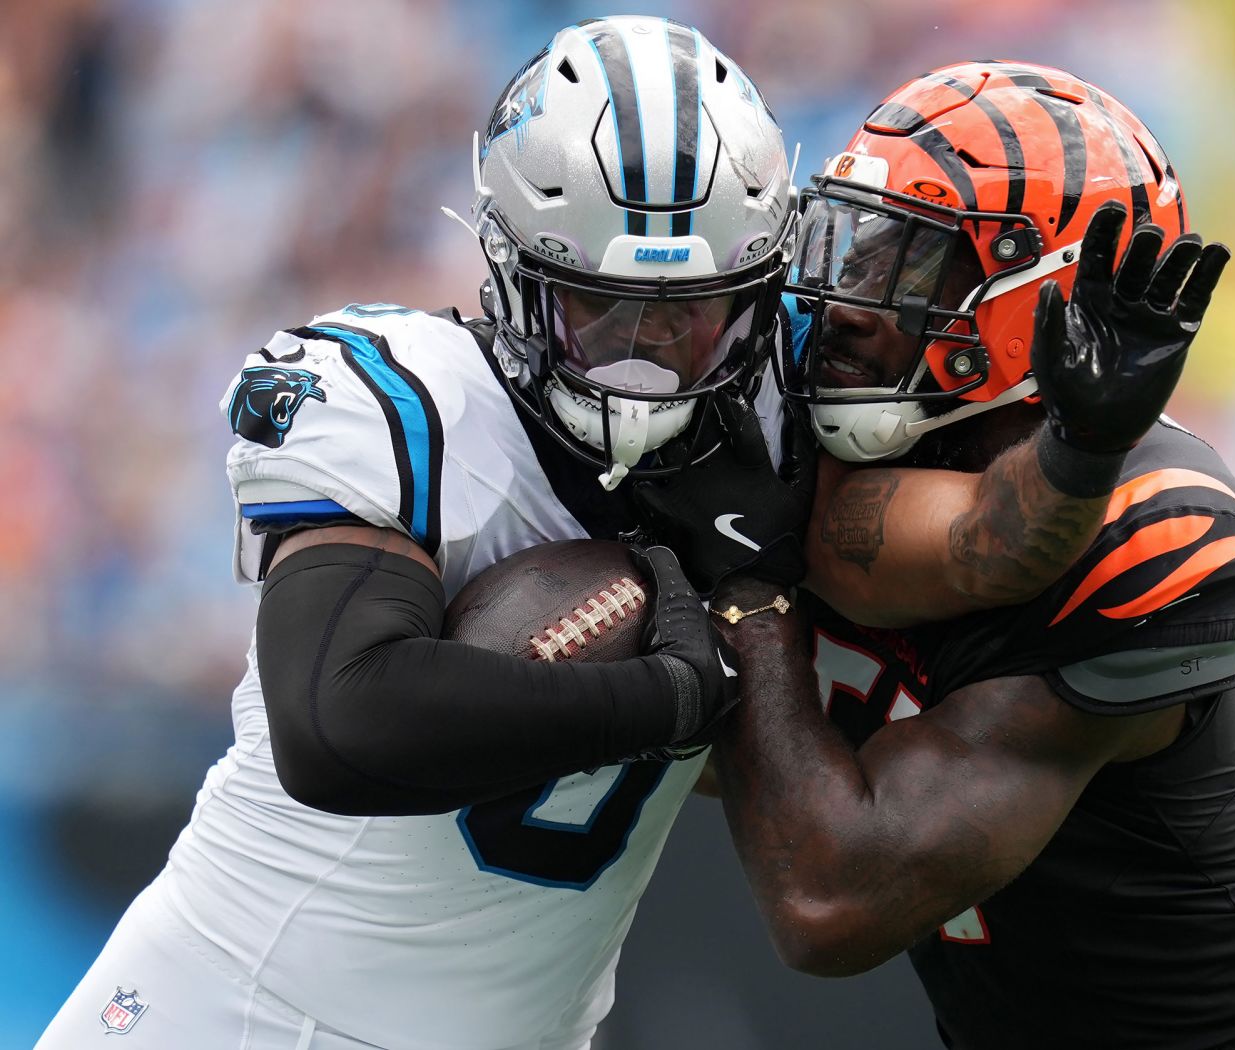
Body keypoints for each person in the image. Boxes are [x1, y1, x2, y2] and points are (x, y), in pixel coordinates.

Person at [37, 27, 1169, 1050]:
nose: (646, 352)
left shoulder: (778, 423)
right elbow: (339, 726)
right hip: (230, 1015)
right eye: (603, 308)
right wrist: (676, 699)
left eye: (689, 313)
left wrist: (1078, 452)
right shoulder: (404, 401)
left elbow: (979, 546)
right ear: (517, 272)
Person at [639, 62, 1235, 1049]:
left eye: (903, 264)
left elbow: (831, 896)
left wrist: (746, 593)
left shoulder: (1155, 531)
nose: (844, 301)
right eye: (847, 243)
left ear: (1042, 300)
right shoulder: (842, 439)